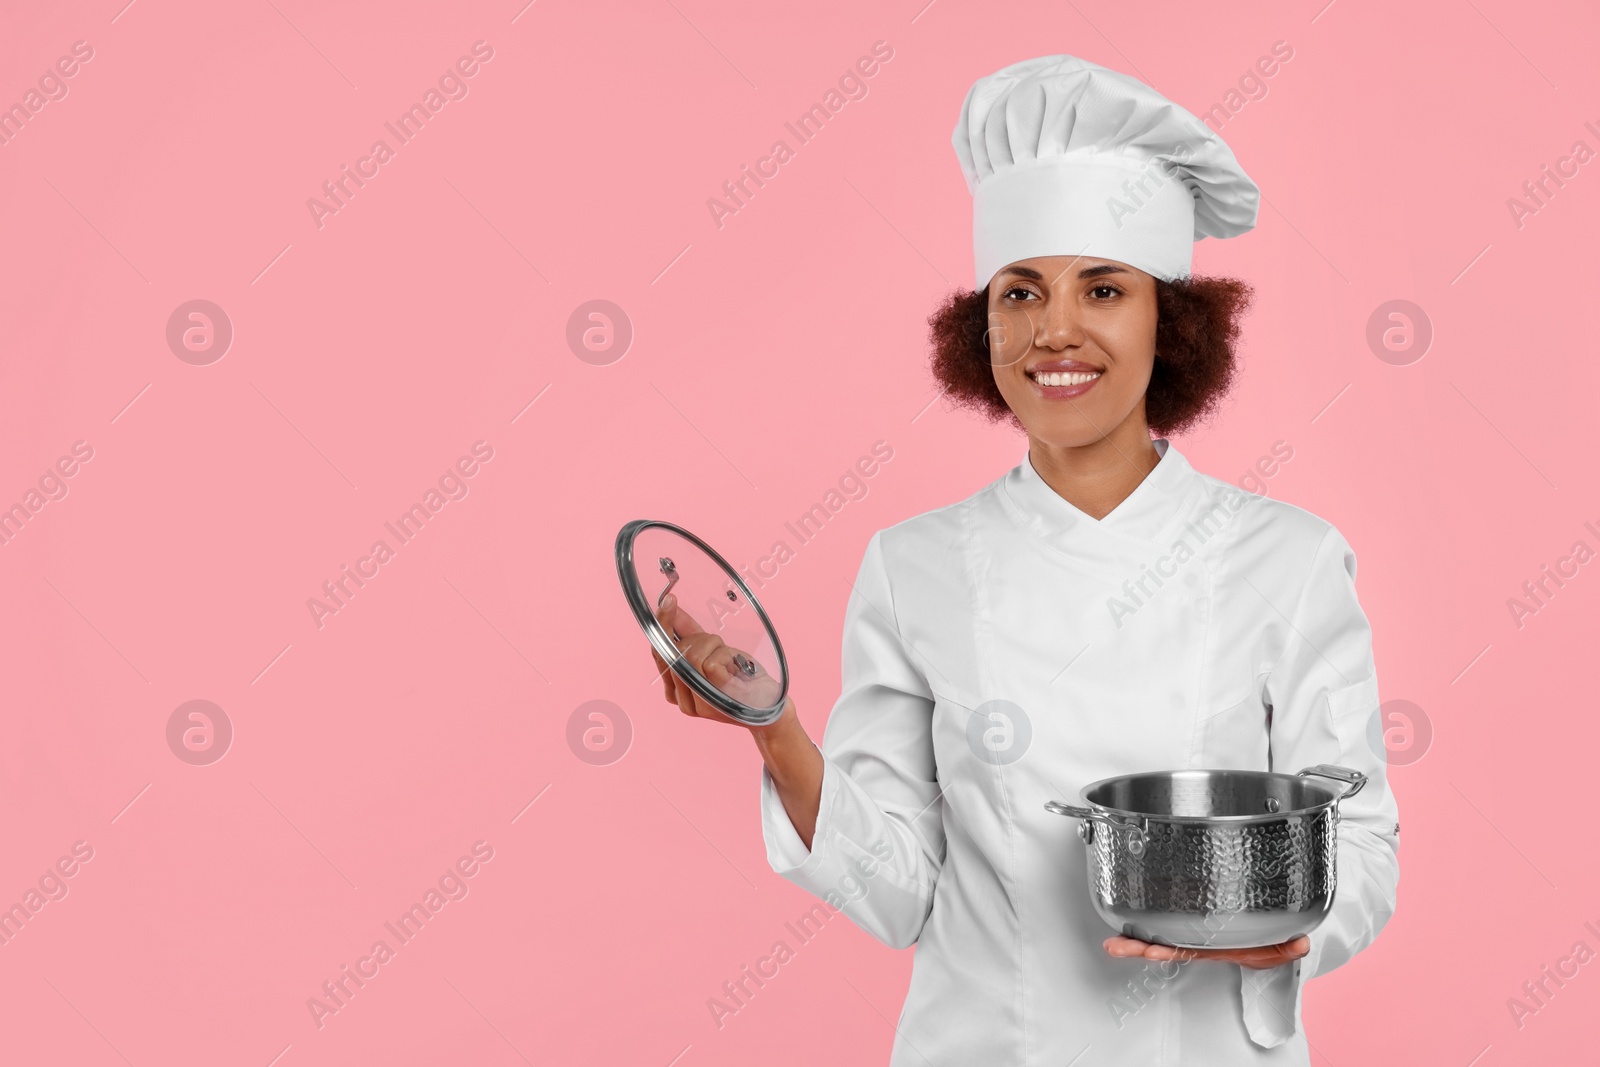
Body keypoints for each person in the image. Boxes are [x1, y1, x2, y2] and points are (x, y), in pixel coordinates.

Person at [650, 54, 1399, 1065]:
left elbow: (1357, 844)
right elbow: (898, 893)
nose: (1054, 330)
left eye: (1102, 287)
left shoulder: (1289, 558)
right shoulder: (912, 564)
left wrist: (1274, 930)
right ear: (979, 323)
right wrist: (775, 728)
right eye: (1019, 292)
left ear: (1170, 322)